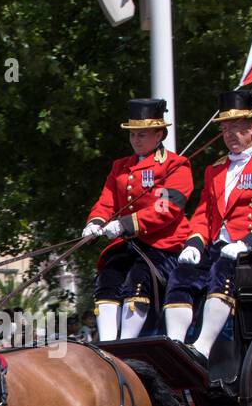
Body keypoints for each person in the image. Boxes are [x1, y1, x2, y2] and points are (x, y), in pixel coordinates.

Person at [163, 88, 252, 361]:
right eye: (225, 129)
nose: (229, 135)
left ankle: (202, 346)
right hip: (218, 246)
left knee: (222, 270)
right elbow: (203, 214)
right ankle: (174, 347)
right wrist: (193, 243)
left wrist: (247, 243)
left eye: (236, 128)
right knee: (182, 273)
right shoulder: (215, 170)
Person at [82, 97, 194, 340]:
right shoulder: (120, 167)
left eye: (142, 134)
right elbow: (107, 201)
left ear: (159, 135)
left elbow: (166, 208)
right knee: (108, 276)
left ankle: (127, 343)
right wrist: (95, 222)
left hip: (163, 245)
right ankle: (108, 344)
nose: (135, 139)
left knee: (138, 280)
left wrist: (124, 224)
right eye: (133, 134)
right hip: (130, 244)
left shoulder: (176, 166)